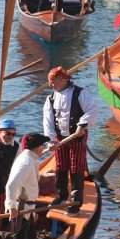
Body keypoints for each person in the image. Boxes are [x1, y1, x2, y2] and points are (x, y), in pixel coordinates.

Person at [42, 65, 96, 213]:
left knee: (76, 167)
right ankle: (61, 195)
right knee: (60, 166)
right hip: (60, 138)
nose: (50, 85)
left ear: (61, 79)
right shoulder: (51, 98)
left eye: (52, 82)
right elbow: (48, 121)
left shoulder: (80, 93)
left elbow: (92, 110)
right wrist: (52, 139)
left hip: (76, 136)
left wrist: (82, 125)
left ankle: (76, 202)